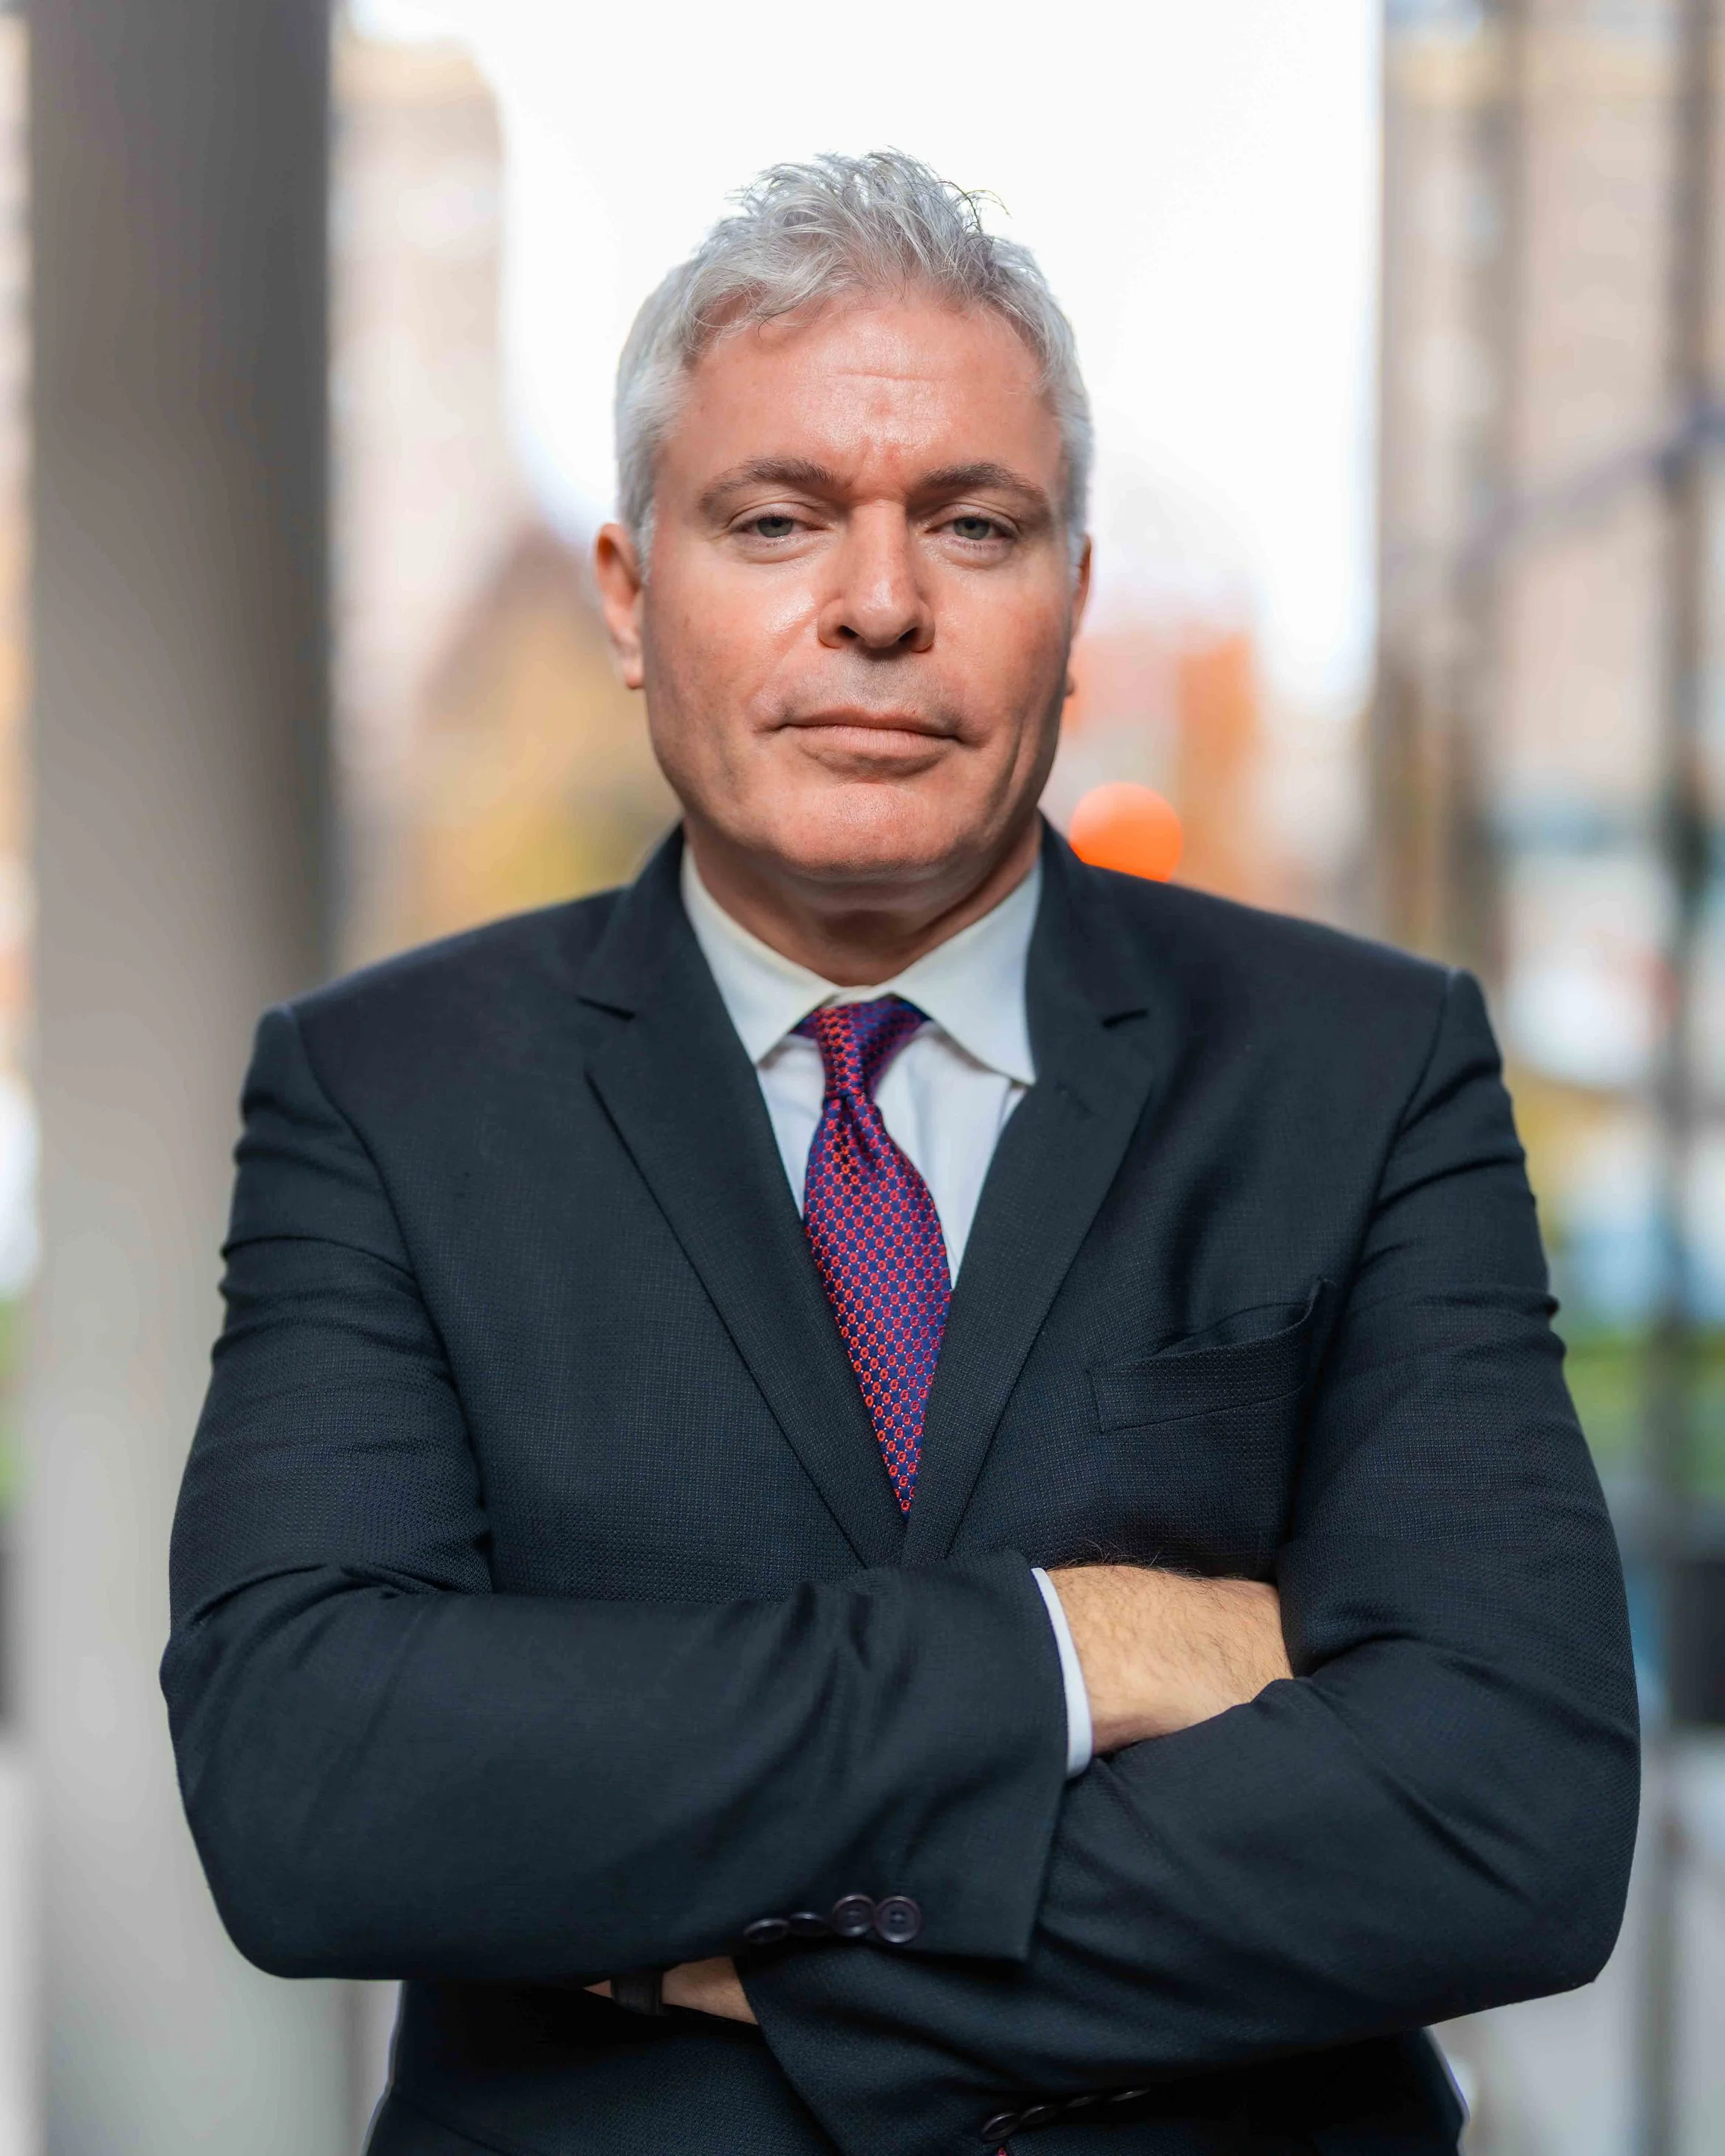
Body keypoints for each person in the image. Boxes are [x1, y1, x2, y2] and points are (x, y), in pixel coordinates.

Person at [164, 152, 1638, 2156]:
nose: (876, 603)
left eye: (974, 523)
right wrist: (1074, 1647)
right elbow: (310, 1787)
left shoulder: (1360, 1068)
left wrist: (732, 1930)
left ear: (1075, 599)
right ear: (627, 592)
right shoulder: (385, 1094)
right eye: (774, 521)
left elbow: (1507, 1813)